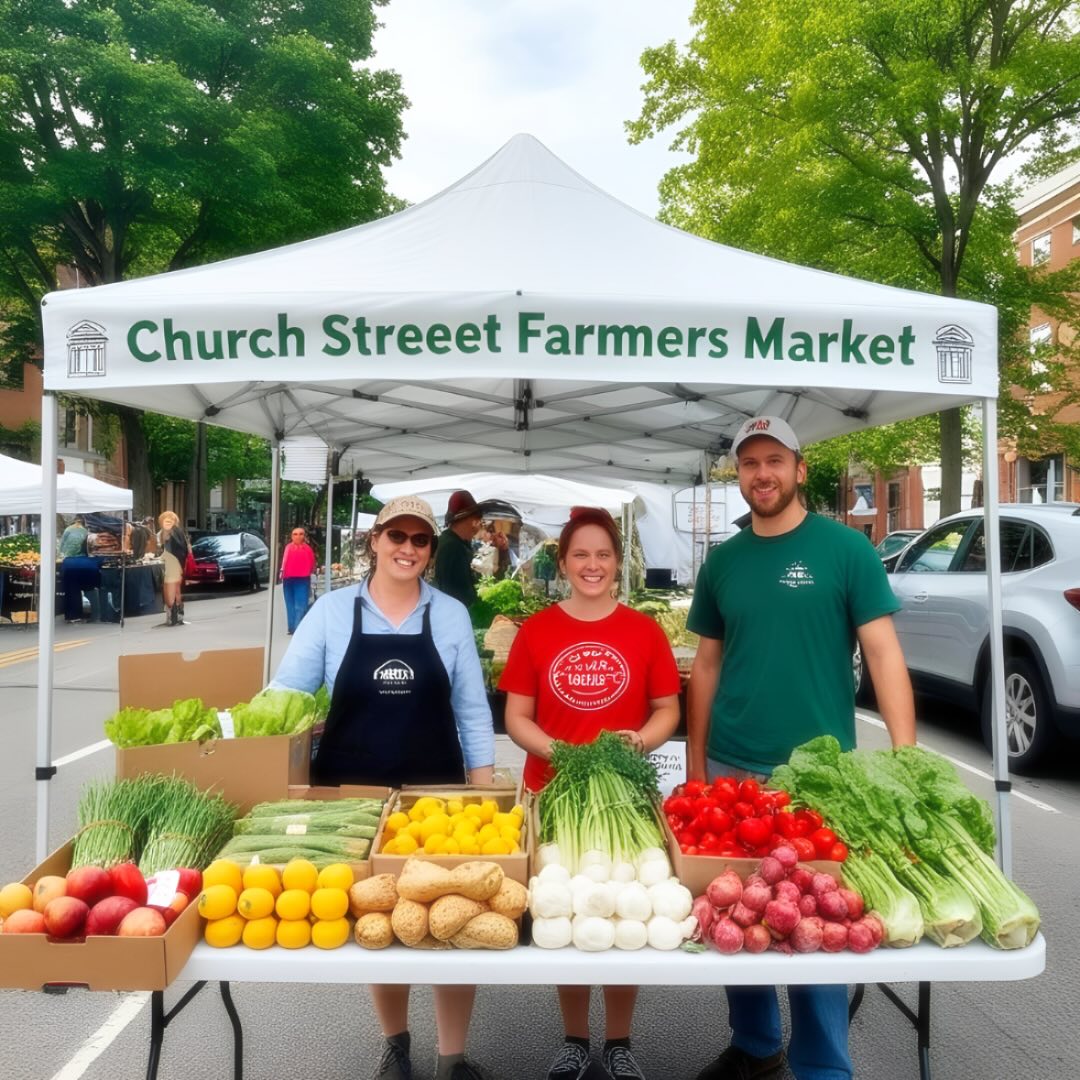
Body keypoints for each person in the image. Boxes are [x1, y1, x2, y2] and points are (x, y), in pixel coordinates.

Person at [686, 416, 916, 1080]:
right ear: (740, 475)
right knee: (738, 908)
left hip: (820, 776)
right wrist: (697, 763)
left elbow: (883, 654)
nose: (762, 474)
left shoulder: (847, 551)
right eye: (750, 463)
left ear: (799, 468)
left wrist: (906, 759)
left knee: (815, 924)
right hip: (733, 768)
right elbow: (705, 665)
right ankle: (756, 1044)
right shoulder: (724, 561)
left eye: (774, 460)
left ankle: (823, 1066)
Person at [268, 494, 495, 1080]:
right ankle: (396, 1043)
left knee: (451, 915)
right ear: (374, 541)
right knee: (379, 919)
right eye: (397, 536)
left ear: (431, 550)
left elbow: (472, 709)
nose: (408, 549)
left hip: (437, 796)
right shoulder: (331, 611)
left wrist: (484, 787)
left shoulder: (448, 616)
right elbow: (287, 695)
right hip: (354, 795)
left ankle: (453, 1055)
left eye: (420, 541)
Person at [500, 506, 681, 1080]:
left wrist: (641, 742)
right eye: (581, 554)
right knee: (567, 909)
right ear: (564, 561)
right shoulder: (537, 630)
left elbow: (667, 710)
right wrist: (560, 752)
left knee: (625, 905)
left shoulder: (643, 630)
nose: (593, 565)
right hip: (552, 794)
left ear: (617, 564)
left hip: (622, 797)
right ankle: (577, 1038)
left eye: (604, 554)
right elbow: (517, 717)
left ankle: (620, 1041)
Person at [433, 490, 483, 607]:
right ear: (470, 520)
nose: (477, 527)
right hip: (455, 614)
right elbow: (457, 593)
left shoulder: (450, 541)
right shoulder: (453, 547)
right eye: (476, 520)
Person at [59, 516, 98, 623]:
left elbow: (61, 547)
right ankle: (96, 614)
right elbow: (89, 549)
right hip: (85, 564)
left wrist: (63, 556)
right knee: (90, 589)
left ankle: (73, 616)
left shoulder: (68, 530)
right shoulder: (86, 532)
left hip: (69, 563)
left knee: (72, 591)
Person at [157, 511, 191, 626]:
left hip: (172, 566)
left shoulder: (171, 533)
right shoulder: (178, 532)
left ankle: (171, 619)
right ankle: (178, 618)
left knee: (170, 593)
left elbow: (169, 551)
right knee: (177, 592)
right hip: (176, 566)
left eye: (169, 521)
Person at [280, 526, 316, 634]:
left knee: (300, 605)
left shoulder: (307, 549)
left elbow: (312, 564)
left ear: (304, 536)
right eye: (295, 534)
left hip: (302, 579)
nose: (298, 536)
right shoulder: (288, 548)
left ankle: (296, 627)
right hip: (288, 579)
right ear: (291, 536)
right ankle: (292, 627)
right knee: (290, 604)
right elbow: (284, 562)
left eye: (301, 534)